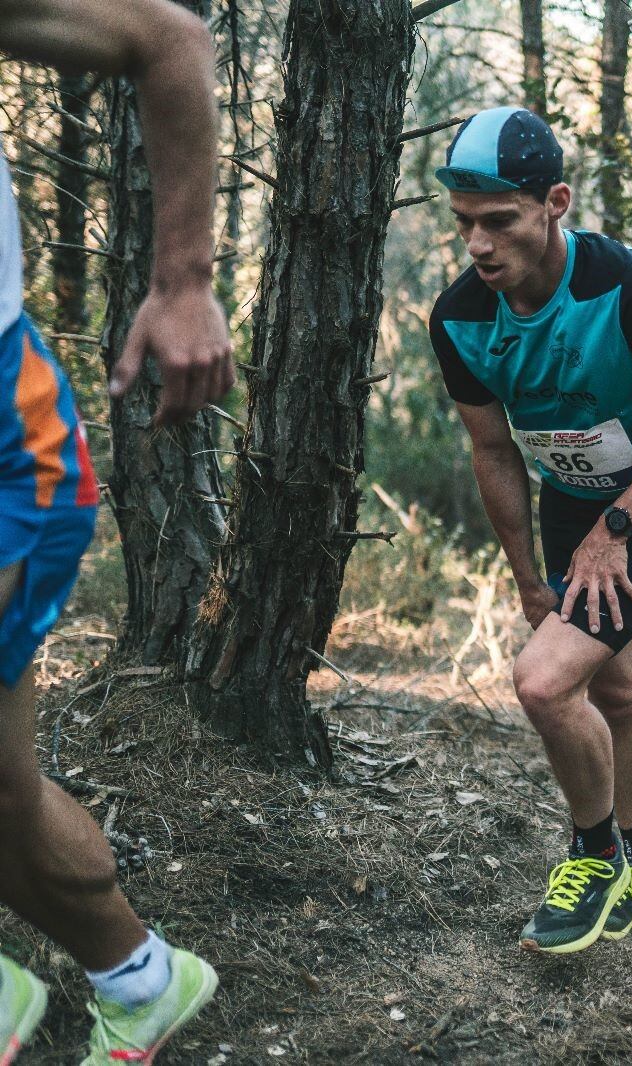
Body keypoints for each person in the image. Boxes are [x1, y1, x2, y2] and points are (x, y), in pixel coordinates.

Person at [427, 107, 632, 953]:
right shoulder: (460, 319)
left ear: (554, 202)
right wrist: (528, 574)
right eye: (463, 226)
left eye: (499, 221)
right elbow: (493, 451)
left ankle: (594, 860)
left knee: (544, 684)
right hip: (567, 510)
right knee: (618, 693)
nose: (478, 246)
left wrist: (617, 528)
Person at [0, 1, 233, 1060]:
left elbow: (168, 38)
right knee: (6, 802)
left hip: (10, 449)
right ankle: (141, 982)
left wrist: (183, 281)